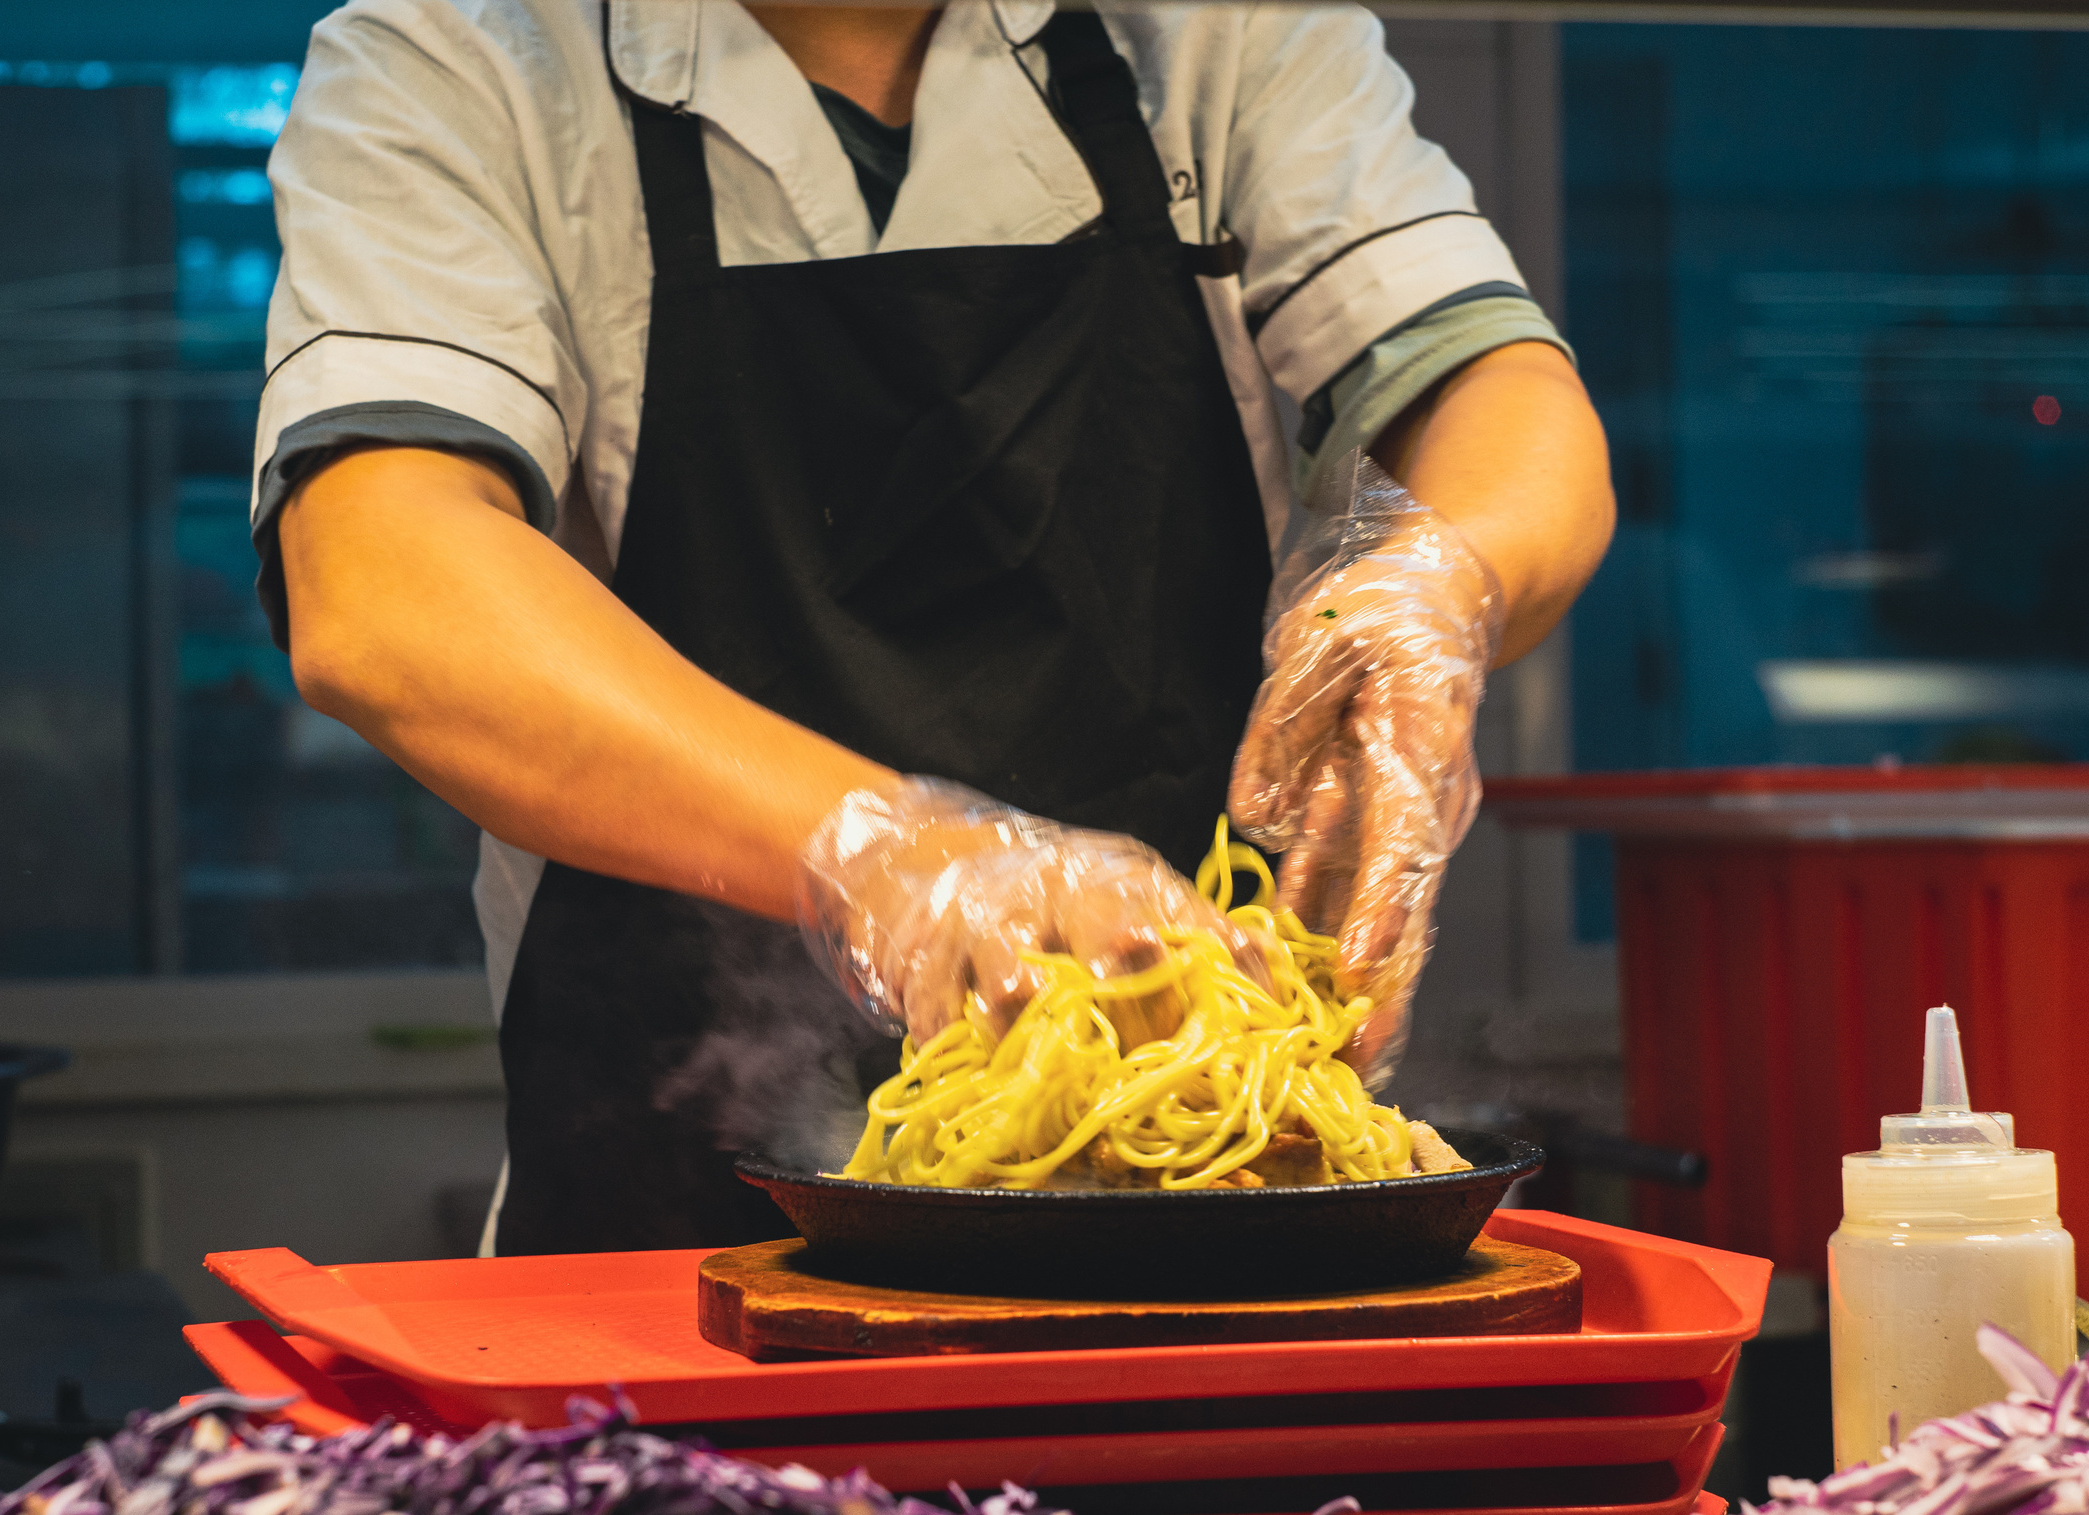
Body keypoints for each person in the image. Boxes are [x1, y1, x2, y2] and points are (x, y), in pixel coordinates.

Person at [255, 0, 1614, 1257]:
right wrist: (891, 853)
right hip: (670, 1247)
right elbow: (383, 588)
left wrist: (1439, 581)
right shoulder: (461, 59)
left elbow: (1502, 396)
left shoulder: (1217, 30)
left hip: (1220, 1230)